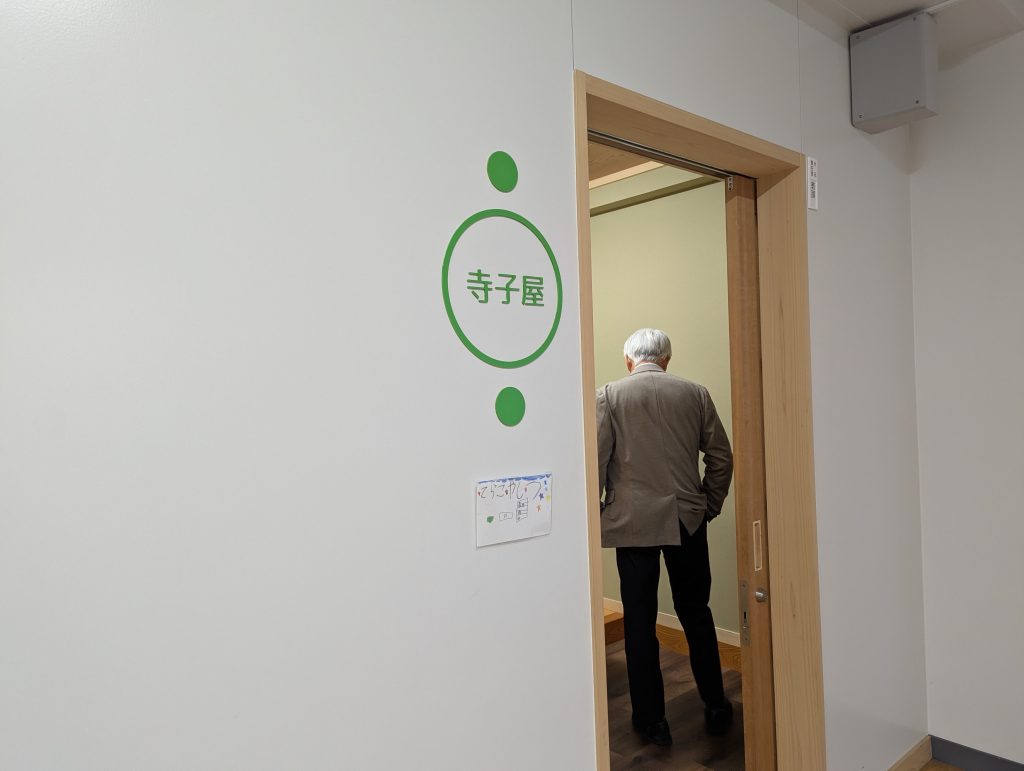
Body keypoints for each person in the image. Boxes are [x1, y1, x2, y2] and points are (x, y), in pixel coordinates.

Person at [597, 328, 734, 747]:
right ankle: (716, 705)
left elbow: (596, 463)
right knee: (696, 612)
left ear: (628, 361)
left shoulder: (609, 396)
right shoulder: (696, 394)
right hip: (686, 518)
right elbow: (721, 457)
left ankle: (652, 721)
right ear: (667, 359)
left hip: (632, 522)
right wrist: (708, 504)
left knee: (639, 620)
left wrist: (599, 513)